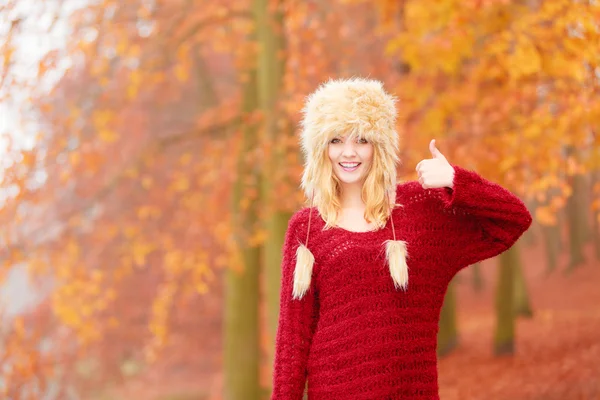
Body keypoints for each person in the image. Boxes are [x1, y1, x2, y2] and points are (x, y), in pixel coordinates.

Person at [271, 77, 533, 400]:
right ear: (320, 148)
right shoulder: (306, 229)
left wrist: (455, 180)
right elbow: (292, 345)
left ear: (379, 146)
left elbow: (513, 219)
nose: (348, 152)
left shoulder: (419, 211)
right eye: (336, 140)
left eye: (362, 139)